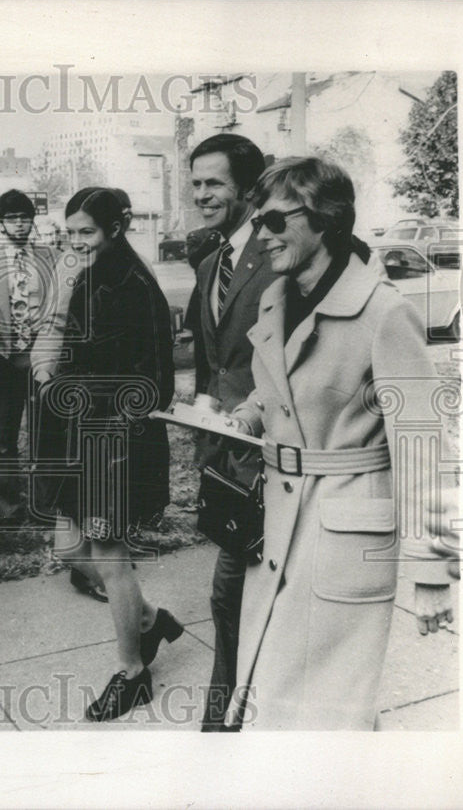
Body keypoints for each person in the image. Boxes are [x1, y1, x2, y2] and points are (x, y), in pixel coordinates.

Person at [223, 157, 458, 730]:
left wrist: (430, 568)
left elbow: (424, 447)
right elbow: (280, 386)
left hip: (344, 534)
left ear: (326, 219)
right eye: (258, 222)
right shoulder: (278, 297)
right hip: (278, 521)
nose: (264, 234)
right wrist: (250, 414)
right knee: (285, 709)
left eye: (278, 220)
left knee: (322, 715)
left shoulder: (383, 313)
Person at [52, 188, 182, 722]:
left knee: (109, 556)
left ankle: (133, 674)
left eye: (86, 232)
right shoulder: (91, 276)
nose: (76, 242)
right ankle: (151, 621)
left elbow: (158, 381)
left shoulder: (134, 284)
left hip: (116, 442)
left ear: (115, 227)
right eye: (70, 233)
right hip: (83, 432)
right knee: (67, 548)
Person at [183, 133, 276, 731]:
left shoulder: (280, 255)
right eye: (195, 184)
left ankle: (226, 720)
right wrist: (197, 413)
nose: (201, 195)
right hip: (225, 455)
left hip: (272, 454)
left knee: (237, 593)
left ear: (248, 186)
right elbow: (210, 360)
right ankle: (228, 716)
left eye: (213, 183)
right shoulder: (212, 261)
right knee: (232, 593)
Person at [0, 189, 59, 522]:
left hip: (40, 359)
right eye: (12, 218)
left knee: (44, 434)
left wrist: (47, 349)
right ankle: (8, 507)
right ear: (1, 223)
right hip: (5, 361)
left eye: (25, 217)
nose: (19, 224)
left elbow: (59, 304)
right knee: (4, 436)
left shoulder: (48, 255)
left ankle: (46, 504)